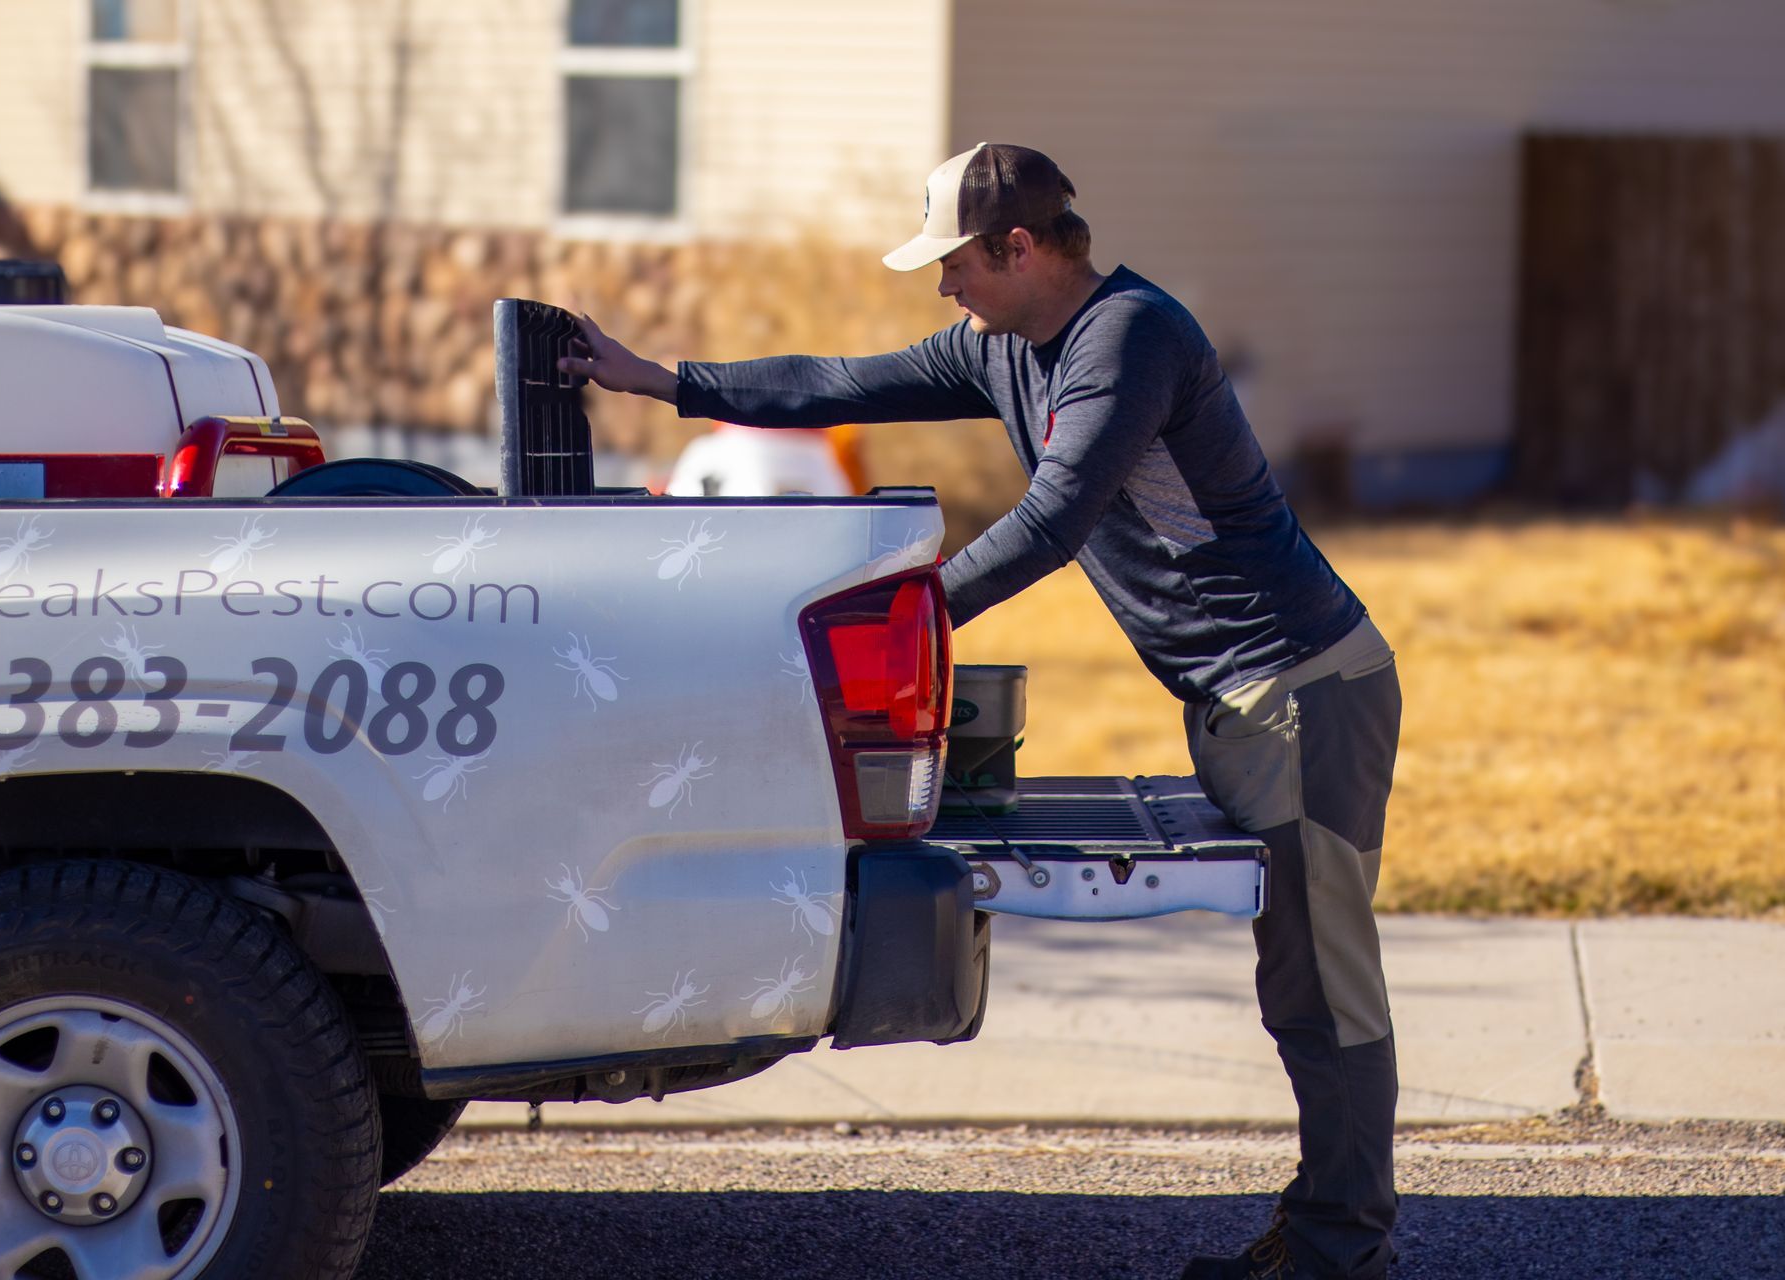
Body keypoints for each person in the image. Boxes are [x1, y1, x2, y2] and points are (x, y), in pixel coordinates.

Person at [558, 142, 1403, 1280]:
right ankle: (1325, 1236)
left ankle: (1341, 1254)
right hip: (1243, 696)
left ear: (1020, 247)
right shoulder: (1008, 344)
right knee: (1299, 979)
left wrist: (903, 619)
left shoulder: (1130, 338)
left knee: (1322, 983)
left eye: (955, 263)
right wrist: (659, 378)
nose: (942, 288)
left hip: (1301, 689)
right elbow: (845, 384)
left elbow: (1053, 521)